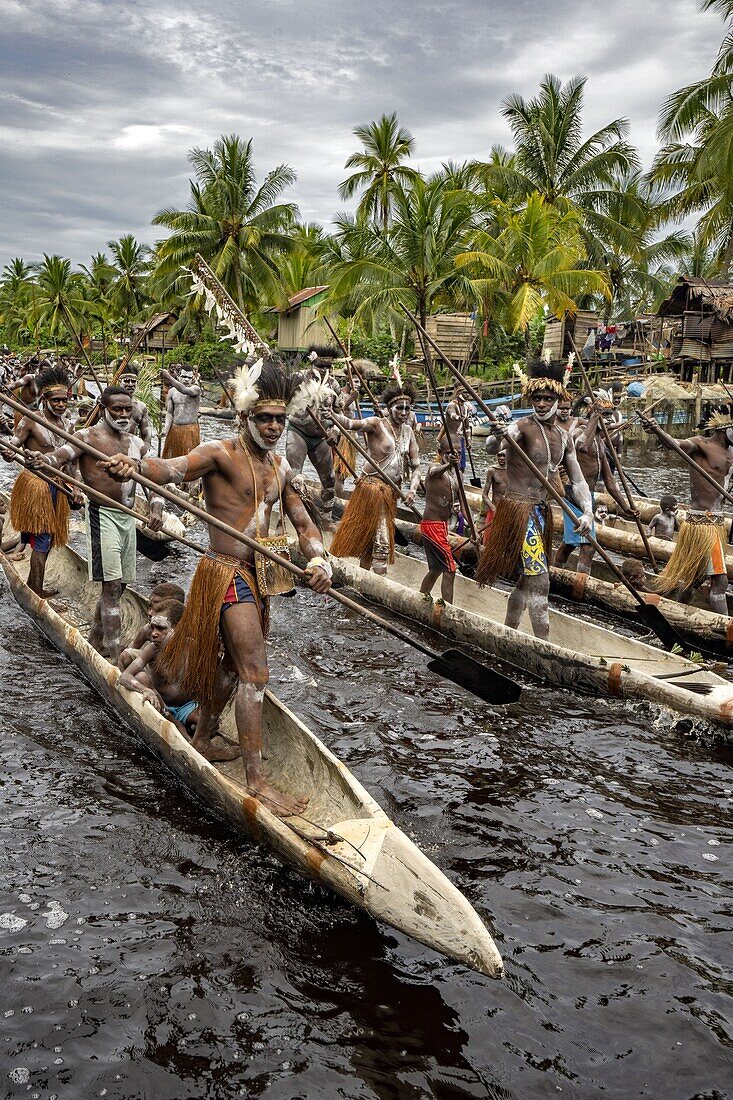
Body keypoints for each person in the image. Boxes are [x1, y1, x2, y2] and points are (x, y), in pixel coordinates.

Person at [101, 357, 333, 817]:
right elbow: (171, 468)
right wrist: (136, 466)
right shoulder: (221, 453)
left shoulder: (280, 469)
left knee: (229, 668)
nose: (271, 427)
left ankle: (204, 737)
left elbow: (305, 524)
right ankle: (257, 784)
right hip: (225, 576)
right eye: (263, 418)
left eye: (279, 420)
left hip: (262, 576)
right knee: (255, 674)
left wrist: (320, 559)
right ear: (245, 416)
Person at [27, 385, 164, 662]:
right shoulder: (87, 436)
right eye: (117, 409)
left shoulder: (136, 444)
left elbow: (153, 482)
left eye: (128, 409)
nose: (124, 414)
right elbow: (61, 456)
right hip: (102, 515)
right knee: (111, 586)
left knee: (121, 585)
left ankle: (93, 640)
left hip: (128, 518)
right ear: (103, 409)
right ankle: (113, 656)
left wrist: (157, 508)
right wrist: (43, 459)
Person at [478, 358, 593, 640]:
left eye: (547, 399)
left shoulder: (564, 437)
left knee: (525, 581)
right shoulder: (522, 427)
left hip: (540, 513)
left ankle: (508, 631)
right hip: (517, 512)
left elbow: (578, 481)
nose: (541, 404)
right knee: (540, 580)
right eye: (537, 398)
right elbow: (494, 445)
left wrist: (588, 512)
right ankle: (543, 643)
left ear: (558, 399)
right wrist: (495, 435)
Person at [1, 364, 82, 598]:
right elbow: (14, 445)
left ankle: (22, 558)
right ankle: (35, 589)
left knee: (38, 536)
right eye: (55, 400)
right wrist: (9, 453)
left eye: (63, 401)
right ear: (45, 399)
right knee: (43, 538)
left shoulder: (69, 425)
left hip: (57, 486)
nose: (60, 405)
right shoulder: (30, 420)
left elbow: (73, 462)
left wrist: (75, 487)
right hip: (35, 486)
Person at [641, 407, 732, 613]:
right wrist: (657, 431)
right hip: (701, 525)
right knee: (720, 582)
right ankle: (727, 630)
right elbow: (675, 444)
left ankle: (676, 613)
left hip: (717, 523)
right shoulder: (701, 445)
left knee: (694, 579)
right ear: (725, 427)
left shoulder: (731, 453)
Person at [329, 382, 421, 574]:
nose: (404, 412)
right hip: (372, 489)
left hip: (391, 492)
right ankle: (380, 577)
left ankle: (364, 576)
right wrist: (331, 414)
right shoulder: (376, 424)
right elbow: (351, 424)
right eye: (400, 408)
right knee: (381, 541)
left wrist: (412, 489)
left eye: (408, 408)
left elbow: (416, 466)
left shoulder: (408, 432)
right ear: (389, 409)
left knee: (372, 539)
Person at [554, 391, 638, 575]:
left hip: (588, 497)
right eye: (605, 415)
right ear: (594, 415)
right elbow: (582, 447)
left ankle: (555, 571)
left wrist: (624, 507)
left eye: (610, 415)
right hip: (572, 495)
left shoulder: (601, 444)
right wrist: (594, 417)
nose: (608, 419)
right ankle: (580, 585)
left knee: (569, 544)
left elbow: (609, 480)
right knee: (588, 546)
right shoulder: (577, 433)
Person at [117, 600, 201, 736]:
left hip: (187, 706)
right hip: (161, 705)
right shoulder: (152, 649)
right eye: (153, 628)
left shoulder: (193, 647)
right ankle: (177, 724)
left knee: (207, 723)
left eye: (161, 629)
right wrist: (145, 690)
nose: (154, 634)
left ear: (179, 628)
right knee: (141, 677)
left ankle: (186, 725)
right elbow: (125, 676)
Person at [285, 347, 343, 527]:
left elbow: (339, 414)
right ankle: (287, 519)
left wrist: (335, 432)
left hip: (321, 436)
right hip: (298, 431)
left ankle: (326, 520)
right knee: (294, 476)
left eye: (328, 366)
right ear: (313, 362)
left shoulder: (334, 385)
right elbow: (284, 401)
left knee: (330, 479)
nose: (324, 370)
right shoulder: (300, 378)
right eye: (321, 365)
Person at [418, 435, 461, 604]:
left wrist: (470, 527)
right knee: (450, 569)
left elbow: (461, 501)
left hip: (442, 526)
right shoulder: (435, 468)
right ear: (440, 452)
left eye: (456, 453)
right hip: (431, 525)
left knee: (436, 569)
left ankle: (421, 596)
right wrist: (448, 464)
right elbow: (433, 472)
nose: (453, 455)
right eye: (449, 452)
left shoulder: (457, 473)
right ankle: (448, 609)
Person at [122, 583, 187, 658]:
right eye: (150, 607)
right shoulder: (147, 630)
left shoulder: (187, 634)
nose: (149, 613)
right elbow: (128, 651)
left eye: (157, 609)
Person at [161, 364, 201, 461]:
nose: (186, 379)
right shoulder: (172, 392)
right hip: (174, 429)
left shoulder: (196, 389)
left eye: (189, 377)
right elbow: (170, 413)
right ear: (178, 376)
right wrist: (166, 429)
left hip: (190, 430)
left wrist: (168, 377)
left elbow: (184, 390)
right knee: (172, 459)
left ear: (193, 378)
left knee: (190, 460)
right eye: (183, 376)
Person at [118, 364, 152, 450]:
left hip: (131, 448)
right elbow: (91, 423)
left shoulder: (141, 407)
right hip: (111, 447)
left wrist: (145, 451)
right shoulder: (109, 403)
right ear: (119, 382)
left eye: (133, 381)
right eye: (126, 381)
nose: (130, 384)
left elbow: (146, 434)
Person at [479, 449, 507, 545]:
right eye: (499, 455)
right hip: (494, 509)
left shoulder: (513, 471)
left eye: (504, 455)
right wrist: (493, 508)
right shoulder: (492, 470)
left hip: (507, 510)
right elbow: (484, 495)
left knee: (505, 539)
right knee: (489, 540)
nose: (501, 458)